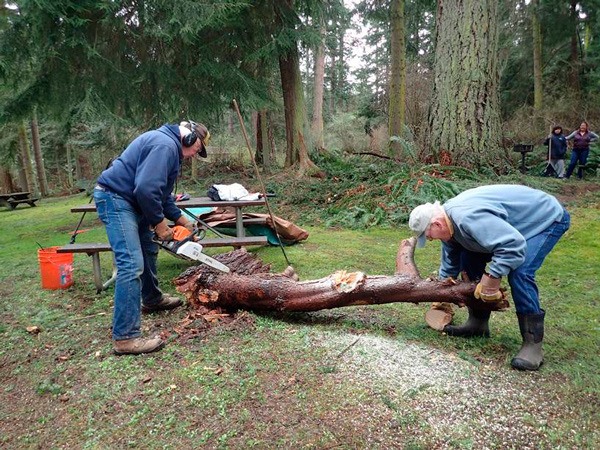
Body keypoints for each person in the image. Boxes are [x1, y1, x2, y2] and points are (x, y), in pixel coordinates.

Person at [408, 185, 570, 371]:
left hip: (544, 219)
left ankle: (532, 344)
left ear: (437, 224)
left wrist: (492, 277)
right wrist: (441, 295)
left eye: (428, 236)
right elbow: (451, 262)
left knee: (520, 272)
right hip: (512, 230)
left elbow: (512, 246)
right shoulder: (449, 226)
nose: (430, 240)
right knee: (467, 259)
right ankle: (477, 323)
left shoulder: (467, 218)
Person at [94, 120, 211, 355]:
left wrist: (182, 222)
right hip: (117, 200)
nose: (192, 156)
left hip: (132, 203)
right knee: (131, 264)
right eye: (196, 149)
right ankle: (125, 338)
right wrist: (159, 224)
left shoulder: (169, 149)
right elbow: (145, 190)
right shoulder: (165, 146)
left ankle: (152, 298)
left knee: (148, 250)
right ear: (189, 138)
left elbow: (163, 195)